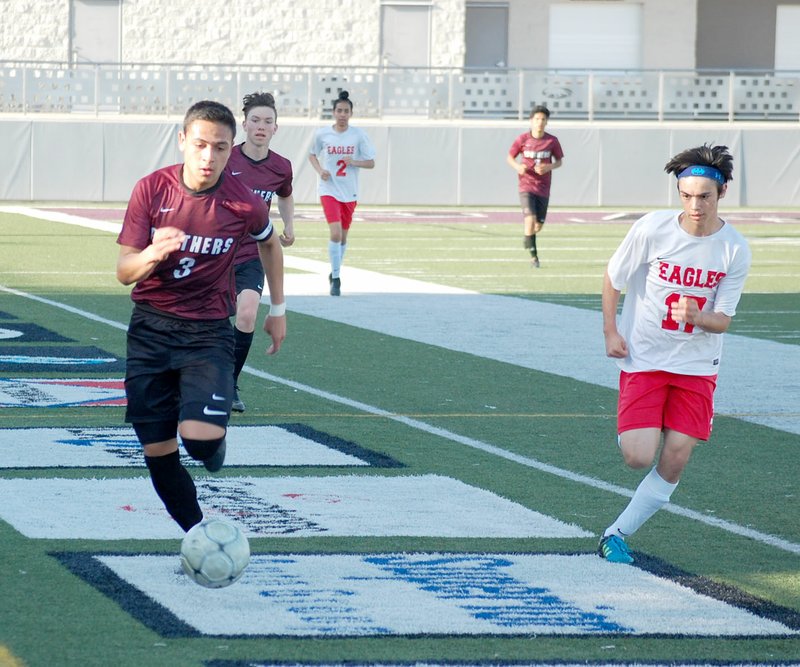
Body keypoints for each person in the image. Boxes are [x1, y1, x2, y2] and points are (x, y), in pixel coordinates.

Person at [115, 100, 286, 533]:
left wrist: (278, 309)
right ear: (182, 141)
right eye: (200, 145)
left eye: (221, 148)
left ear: (233, 149)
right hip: (150, 331)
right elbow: (124, 272)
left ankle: (214, 441)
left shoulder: (243, 202)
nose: (209, 157)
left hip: (208, 332)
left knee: (199, 439)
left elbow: (270, 244)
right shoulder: (152, 189)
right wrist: (153, 253)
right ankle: (199, 535)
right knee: (157, 451)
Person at [598, 144, 751, 564]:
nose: (695, 205)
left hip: (697, 367)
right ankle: (655, 424)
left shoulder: (734, 249)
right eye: (686, 195)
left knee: (677, 457)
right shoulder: (653, 229)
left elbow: (723, 320)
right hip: (645, 359)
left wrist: (700, 316)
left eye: (704, 196)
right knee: (637, 456)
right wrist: (611, 330)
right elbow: (614, 279)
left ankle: (616, 534)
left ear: (721, 194)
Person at [227, 91, 295, 413]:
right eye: (255, 120)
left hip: (253, 251)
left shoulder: (282, 167)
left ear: (275, 128)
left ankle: (229, 384)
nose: (261, 126)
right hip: (217, 250)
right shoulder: (226, 159)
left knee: (248, 312)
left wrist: (289, 225)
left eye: (268, 121)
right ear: (244, 124)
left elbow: (285, 195)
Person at [308, 90, 375, 296]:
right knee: (335, 233)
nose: (342, 114)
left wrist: (353, 161)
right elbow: (312, 155)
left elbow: (371, 162)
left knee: (343, 238)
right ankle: (336, 279)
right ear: (333, 113)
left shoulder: (358, 135)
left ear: (351, 113)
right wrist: (321, 171)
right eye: (339, 110)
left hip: (349, 192)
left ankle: (334, 270)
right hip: (329, 189)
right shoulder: (322, 134)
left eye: (346, 111)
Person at [506, 105, 564, 268]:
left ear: (546, 122)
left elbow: (559, 161)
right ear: (531, 121)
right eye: (537, 119)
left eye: (543, 119)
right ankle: (534, 258)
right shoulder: (522, 139)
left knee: (537, 226)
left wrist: (548, 167)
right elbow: (510, 157)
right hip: (526, 186)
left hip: (544, 188)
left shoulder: (552, 141)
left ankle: (528, 237)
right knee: (529, 220)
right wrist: (518, 167)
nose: (539, 122)